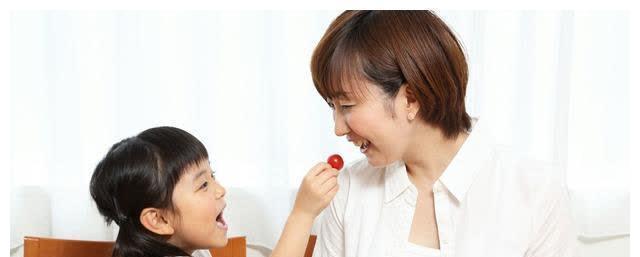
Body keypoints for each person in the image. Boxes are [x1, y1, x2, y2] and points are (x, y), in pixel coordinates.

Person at [309, 11, 575, 257]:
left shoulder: (536, 192)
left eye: (347, 106)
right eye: (333, 107)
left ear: (410, 99)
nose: (338, 129)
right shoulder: (348, 190)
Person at [90, 126, 338, 257]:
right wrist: (303, 213)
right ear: (159, 219)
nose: (220, 190)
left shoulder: (196, 251)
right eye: (203, 185)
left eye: (213, 176)